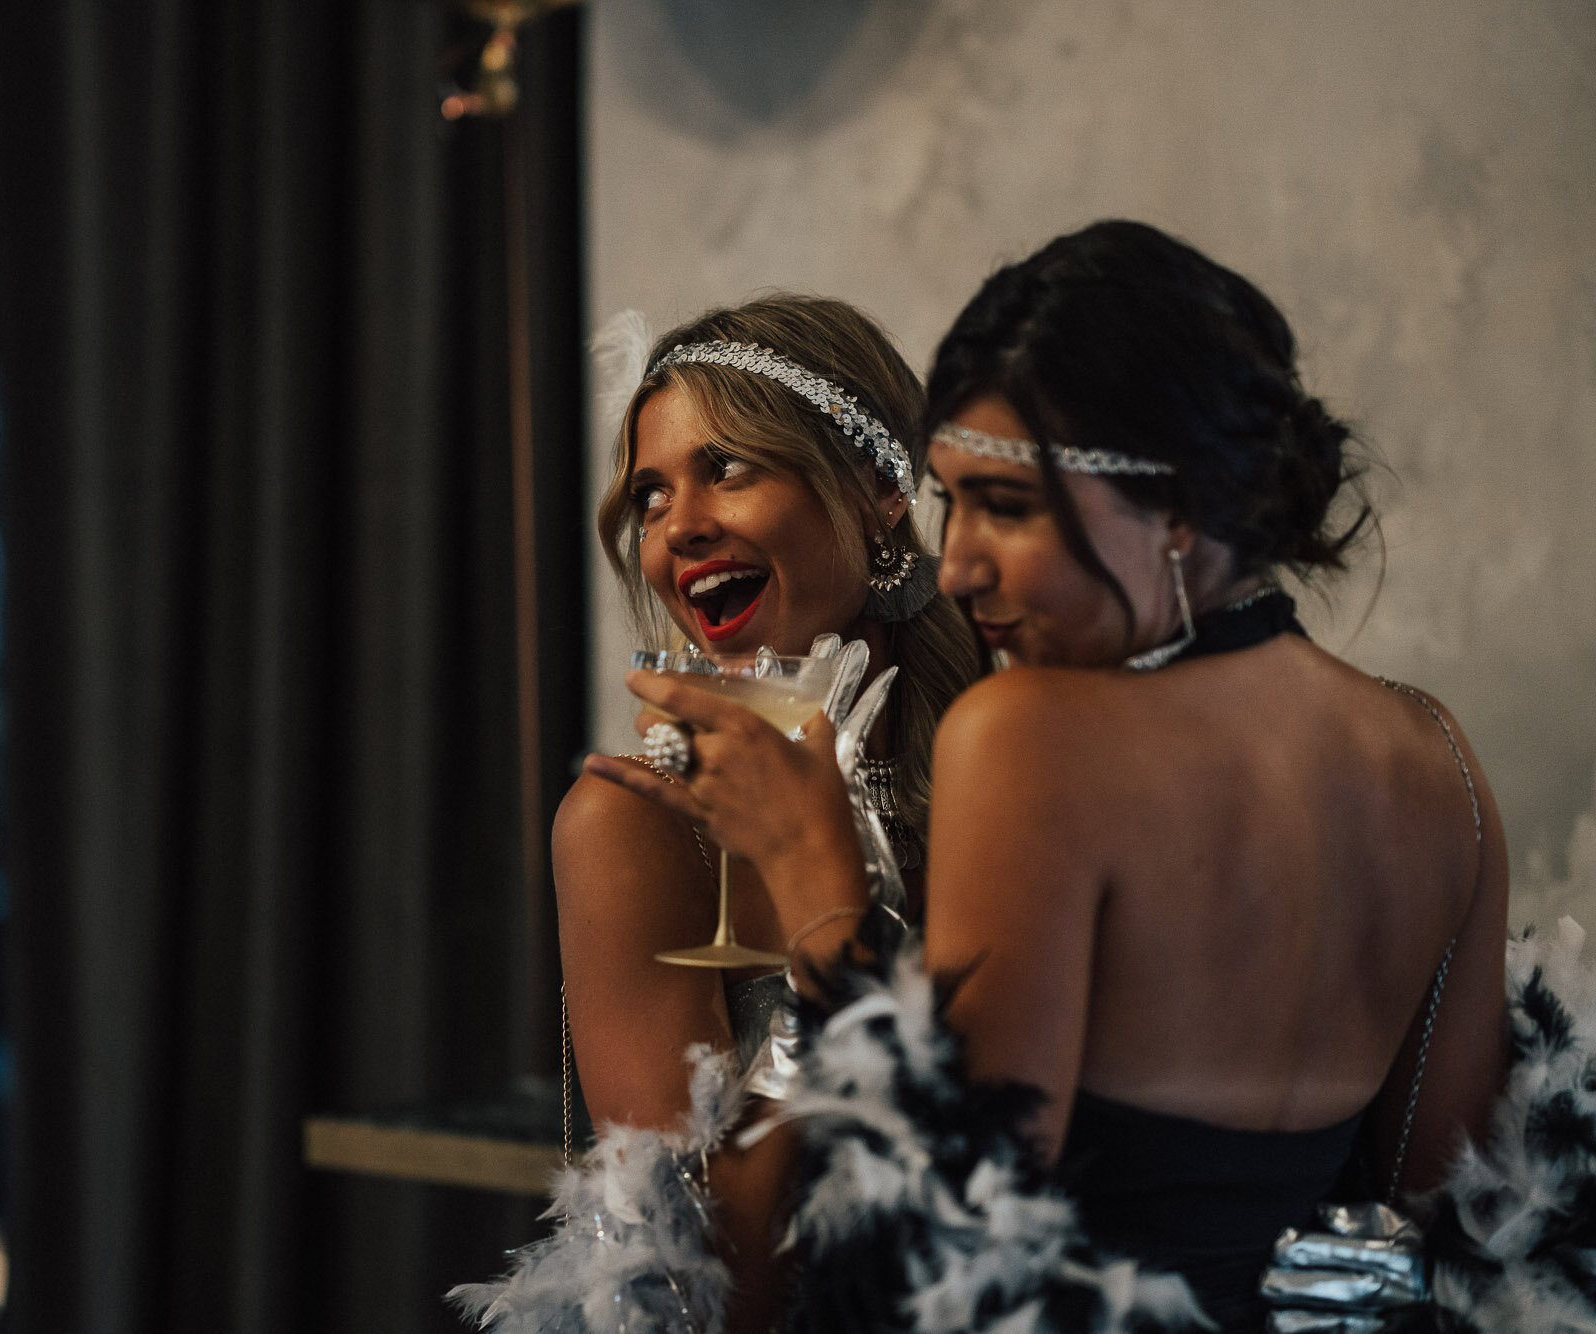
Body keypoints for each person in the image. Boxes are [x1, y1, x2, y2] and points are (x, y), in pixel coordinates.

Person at [598, 222, 1514, 1333]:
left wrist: (813, 874)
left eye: (1011, 506)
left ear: (1179, 507)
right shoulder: (1435, 756)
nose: (963, 562)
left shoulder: (1025, 735)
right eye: (951, 501)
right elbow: (1462, 1217)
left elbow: (939, 1238)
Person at [537, 296, 977, 1332]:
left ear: (877, 489)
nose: (678, 526)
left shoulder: (1006, 754)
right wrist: (832, 924)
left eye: (727, 467)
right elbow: (696, 1279)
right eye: (649, 494)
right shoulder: (634, 823)